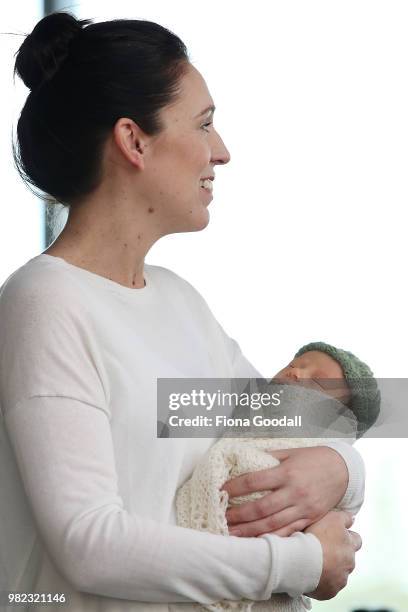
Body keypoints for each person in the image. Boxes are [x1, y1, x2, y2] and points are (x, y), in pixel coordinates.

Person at [0, 12, 363, 612]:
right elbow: (90, 544)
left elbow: (286, 429)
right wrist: (301, 561)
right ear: (133, 141)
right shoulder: (44, 303)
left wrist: (341, 471)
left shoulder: (179, 302)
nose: (222, 152)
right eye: (205, 124)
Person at [176, 342, 381, 611]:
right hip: (226, 567)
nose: (296, 373)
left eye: (317, 381)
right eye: (294, 364)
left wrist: (346, 466)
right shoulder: (242, 411)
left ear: (340, 419)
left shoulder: (312, 444)